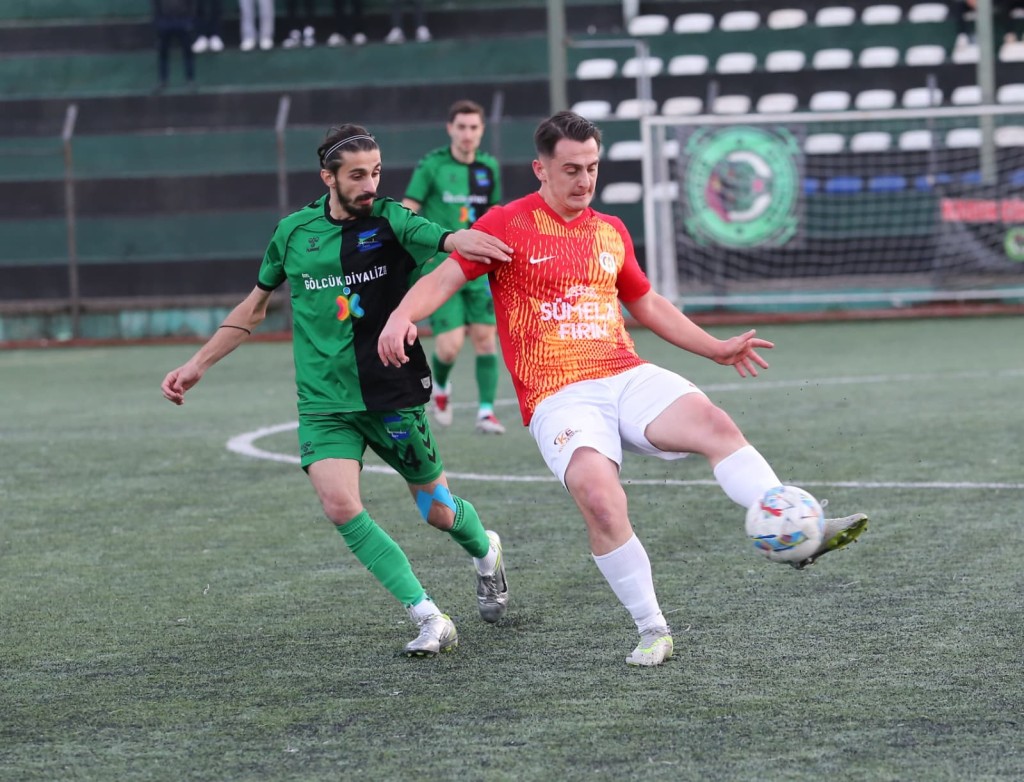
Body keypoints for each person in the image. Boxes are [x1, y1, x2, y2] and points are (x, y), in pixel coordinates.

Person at [379, 111, 869, 667]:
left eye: (592, 167)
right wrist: (401, 317)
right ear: (541, 169)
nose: (585, 180)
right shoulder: (507, 224)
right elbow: (445, 277)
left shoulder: (610, 230)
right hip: (558, 392)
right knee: (601, 499)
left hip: (623, 372)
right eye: (571, 169)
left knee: (715, 424)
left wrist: (715, 348)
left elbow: (646, 302)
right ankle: (652, 629)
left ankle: (794, 528)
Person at [161, 125, 513, 657]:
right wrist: (197, 364)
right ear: (328, 177)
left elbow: (446, 243)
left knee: (438, 512)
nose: (370, 184)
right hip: (324, 403)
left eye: (376, 172)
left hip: (391, 394)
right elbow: (254, 308)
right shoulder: (293, 233)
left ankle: (486, 552)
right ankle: (429, 616)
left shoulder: (393, 220)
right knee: (339, 505)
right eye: (357, 175)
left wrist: (461, 242)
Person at [403, 100, 505, 434]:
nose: (467, 134)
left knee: (486, 340)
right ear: (450, 129)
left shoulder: (488, 167)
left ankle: (486, 412)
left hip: (481, 269)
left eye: (473, 127)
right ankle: (442, 388)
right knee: (449, 347)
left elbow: (495, 214)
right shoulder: (432, 165)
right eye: (461, 127)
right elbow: (407, 211)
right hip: (442, 269)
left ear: (482, 130)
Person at [152, 0, 197, 92]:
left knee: (187, 52)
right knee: (163, 53)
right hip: (165, 22)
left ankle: (190, 79)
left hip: (183, 21)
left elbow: (192, 4)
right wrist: (158, 22)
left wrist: (190, 20)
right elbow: (155, 4)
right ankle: (163, 80)